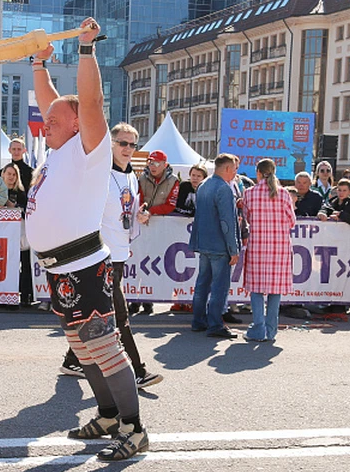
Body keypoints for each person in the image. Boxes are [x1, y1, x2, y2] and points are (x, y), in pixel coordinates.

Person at [26, 17, 147, 461]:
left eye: (55, 119)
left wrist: (85, 49)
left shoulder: (89, 148)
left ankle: (134, 430)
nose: (45, 123)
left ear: (80, 124)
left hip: (84, 266)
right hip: (60, 269)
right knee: (83, 348)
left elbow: (90, 100)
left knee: (102, 345)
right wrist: (38, 64)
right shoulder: (57, 152)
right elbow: (50, 102)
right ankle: (109, 415)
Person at [59, 122, 163, 388]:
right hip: (100, 255)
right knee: (119, 316)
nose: (128, 149)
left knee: (98, 314)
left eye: (133, 144)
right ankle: (137, 371)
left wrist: (142, 214)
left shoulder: (130, 175)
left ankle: (72, 359)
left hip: (119, 252)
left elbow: (130, 208)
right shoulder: (99, 173)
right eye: (123, 143)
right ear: (112, 144)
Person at [241, 158, 296, 342]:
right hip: (279, 247)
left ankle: (258, 328)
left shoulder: (249, 193)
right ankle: (271, 330)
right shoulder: (284, 194)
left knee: (256, 289)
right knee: (275, 290)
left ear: (258, 172)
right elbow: (292, 221)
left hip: (258, 246)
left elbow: (247, 218)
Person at [189, 153, 241, 339]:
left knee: (202, 283)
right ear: (227, 168)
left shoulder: (204, 185)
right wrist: (234, 249)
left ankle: (198, 321)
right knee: (219, 286)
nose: (236, 172)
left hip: (204, 243)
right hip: (219, 246)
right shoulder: (224, 189)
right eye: (235, 169)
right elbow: (227, 223)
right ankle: (215, 325)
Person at [131, 149, 179, 315]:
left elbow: (170, 204)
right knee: (137, 262)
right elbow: (138, 197)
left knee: (153, 264)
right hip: (141, 225)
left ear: (165, 165)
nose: (152, 166)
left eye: (156, 163)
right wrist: (142, 211)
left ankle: (148, 300)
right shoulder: (142, 178)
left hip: (160, 227)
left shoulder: (173, 181)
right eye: (150, 162)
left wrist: (151, 211)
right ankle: (134, 300)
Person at [1, 163, 33, 307]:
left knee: (25, 265)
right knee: (7, 266)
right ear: (3, 175)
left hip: (21, 234)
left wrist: (16, 208)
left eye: (14, 174)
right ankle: (4, 297)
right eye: (9, 174)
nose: (11, 177)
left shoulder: (21, 192)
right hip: (3, 236)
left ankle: (25, 295)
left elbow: (27, 210)